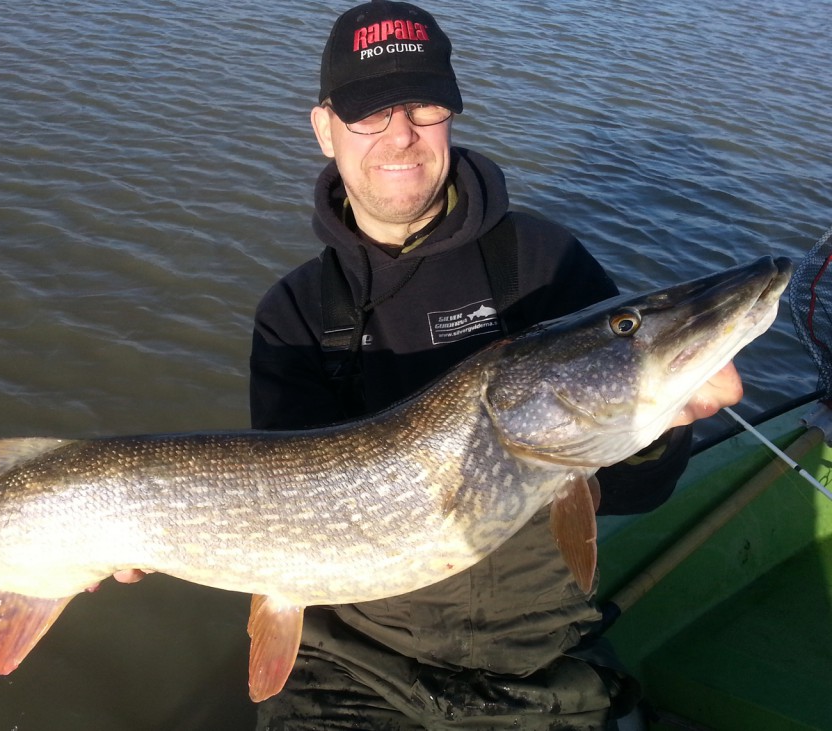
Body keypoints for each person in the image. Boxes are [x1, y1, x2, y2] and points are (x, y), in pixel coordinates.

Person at [246, 2, 743, 729]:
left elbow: (642, 490)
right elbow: (276, 526)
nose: (401, 136)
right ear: (325, 129)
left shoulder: (540, 263)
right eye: (368, 113)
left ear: (452, 112)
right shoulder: (294, 313)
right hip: (351, 665)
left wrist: (665, 420)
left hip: (534, 663)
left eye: (423, 105)